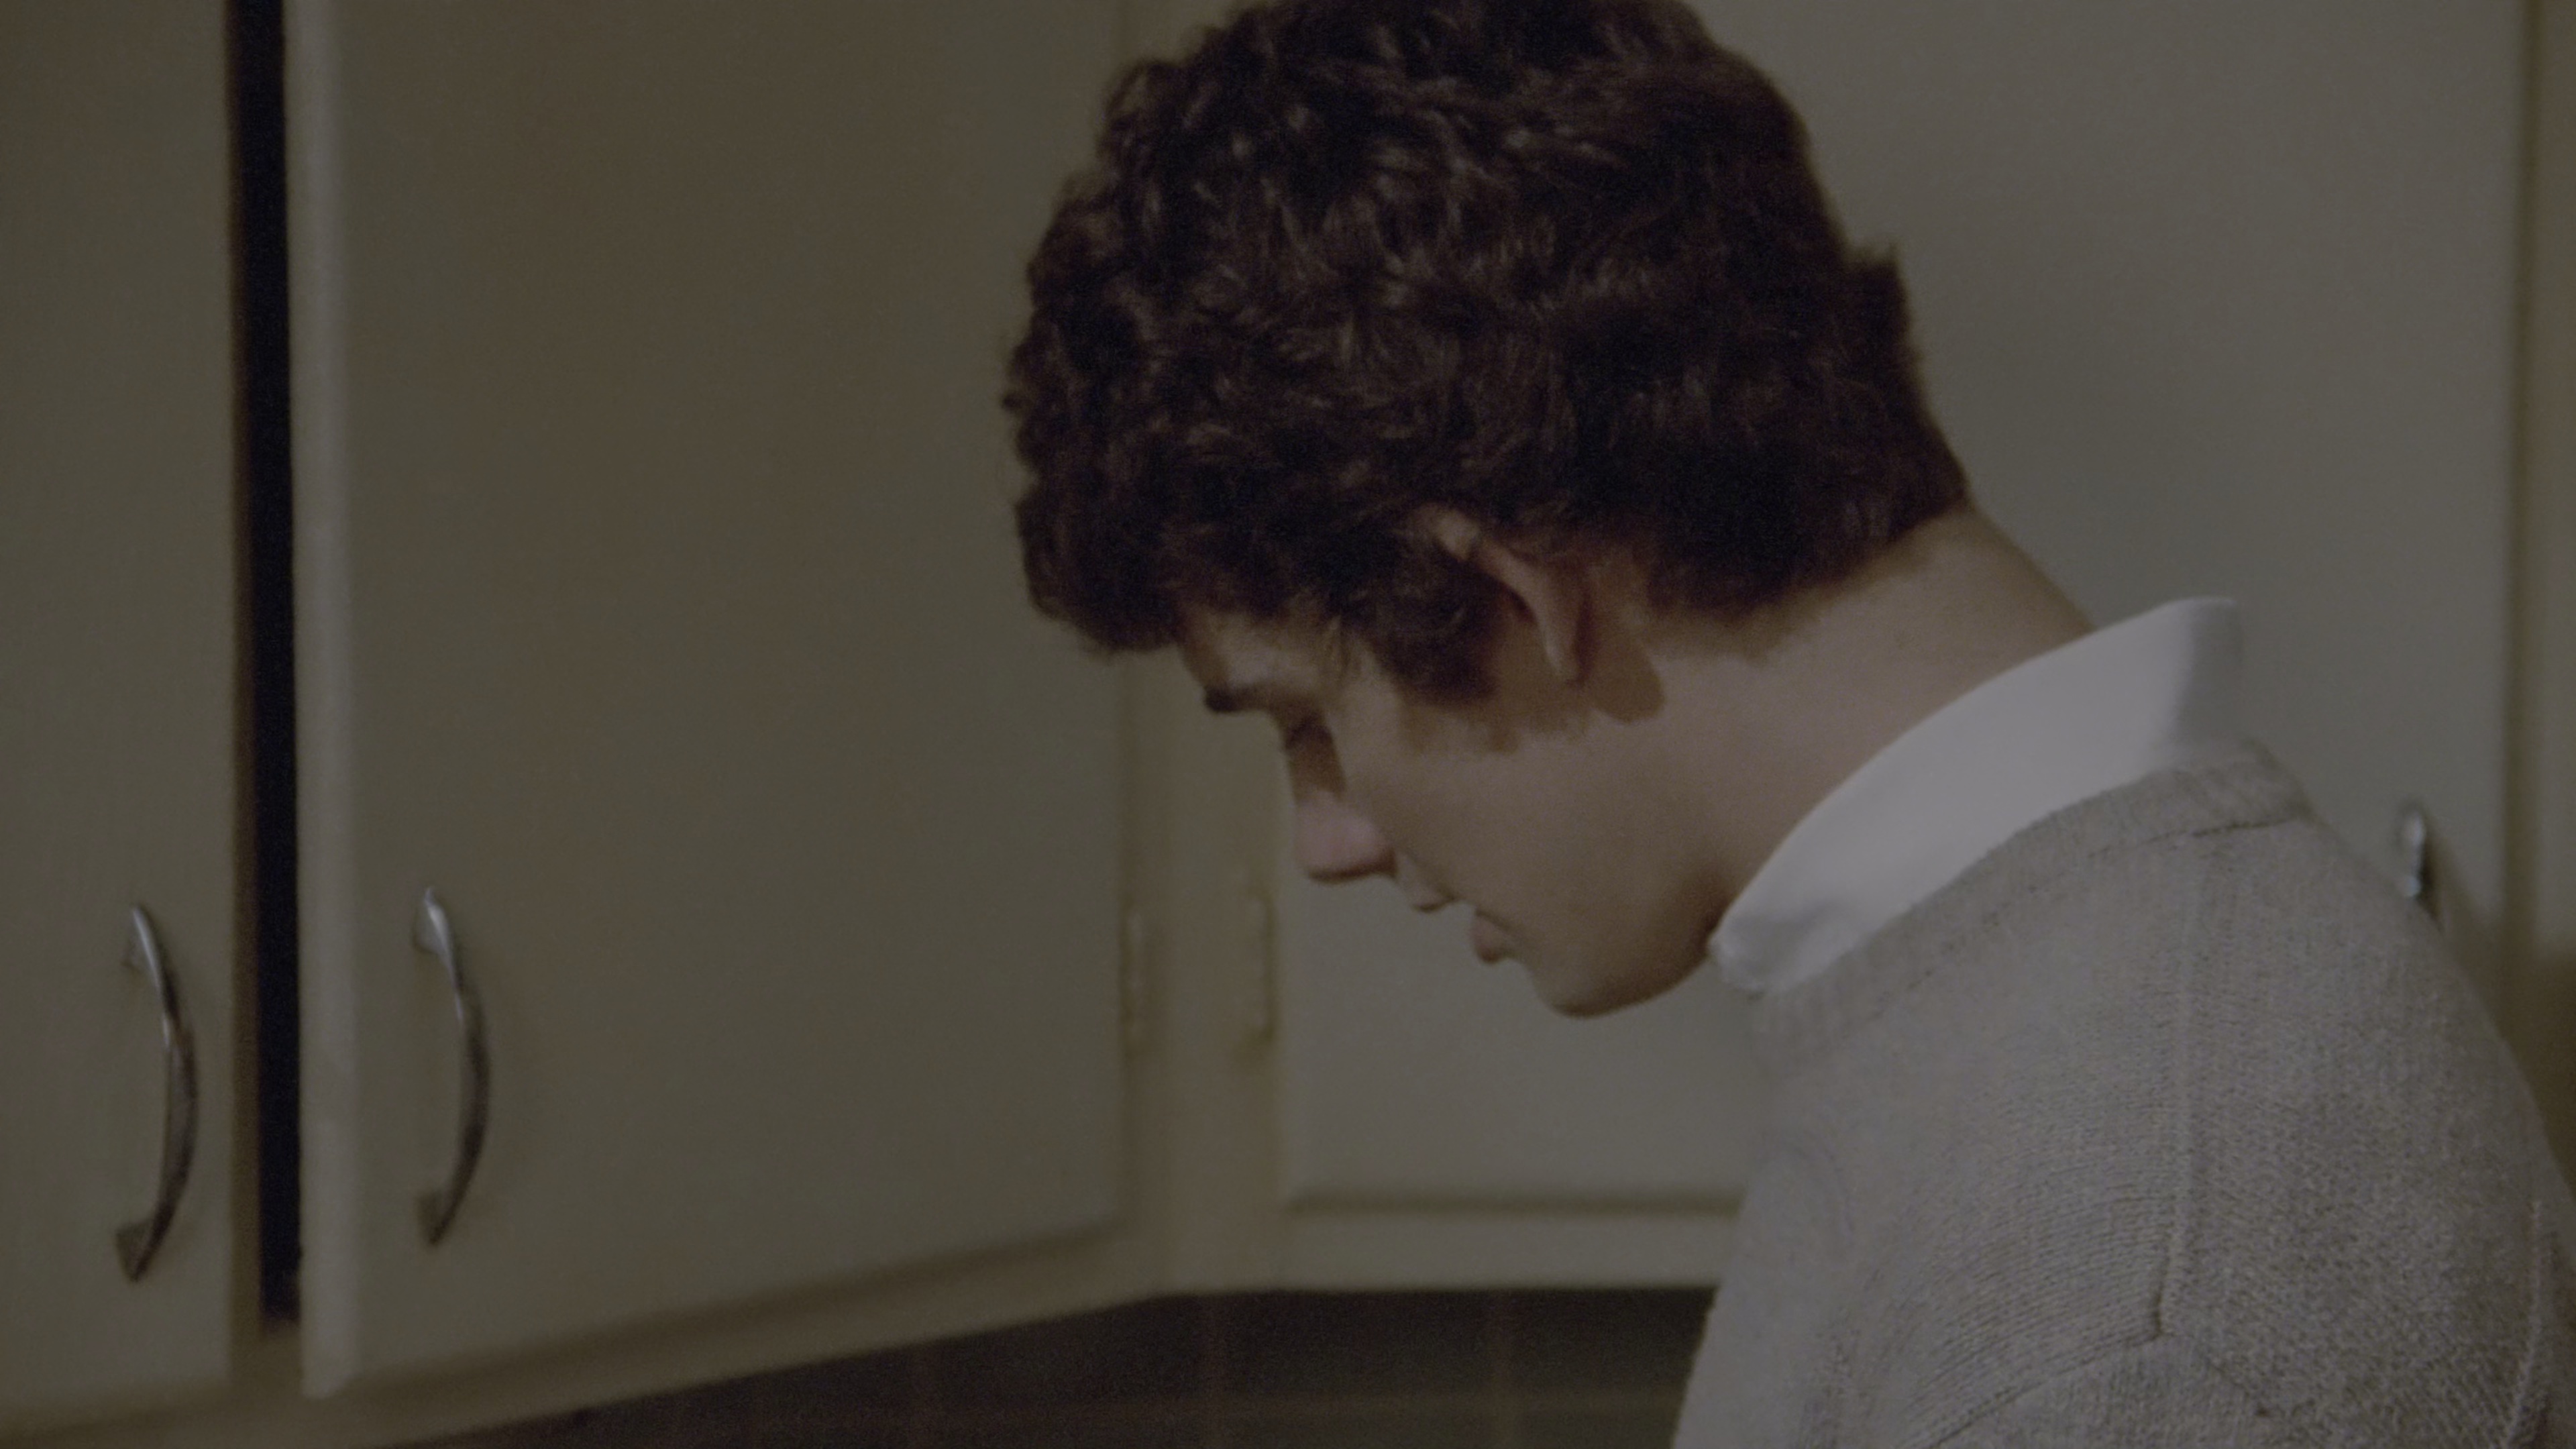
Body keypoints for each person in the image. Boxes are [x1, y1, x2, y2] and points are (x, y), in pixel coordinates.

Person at [1002, 0, 2576, 1441]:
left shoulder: (2133, 1310)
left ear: (1510, 600)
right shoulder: (2033, 1019)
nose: (1329, 839)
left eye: (1306, 722)